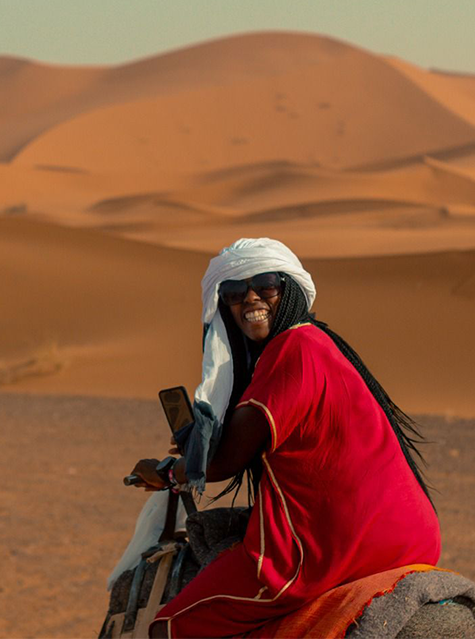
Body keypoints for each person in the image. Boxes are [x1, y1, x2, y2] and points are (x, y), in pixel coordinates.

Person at [126, 238, 440, 639]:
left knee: (169, 626)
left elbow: (226, 461)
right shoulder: (320, 345)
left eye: (266, 285)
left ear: (288, 289)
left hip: (334, 546)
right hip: (413, 536)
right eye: (235, 292)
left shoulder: (293, 348)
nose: (251, 299)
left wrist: (169, 472)